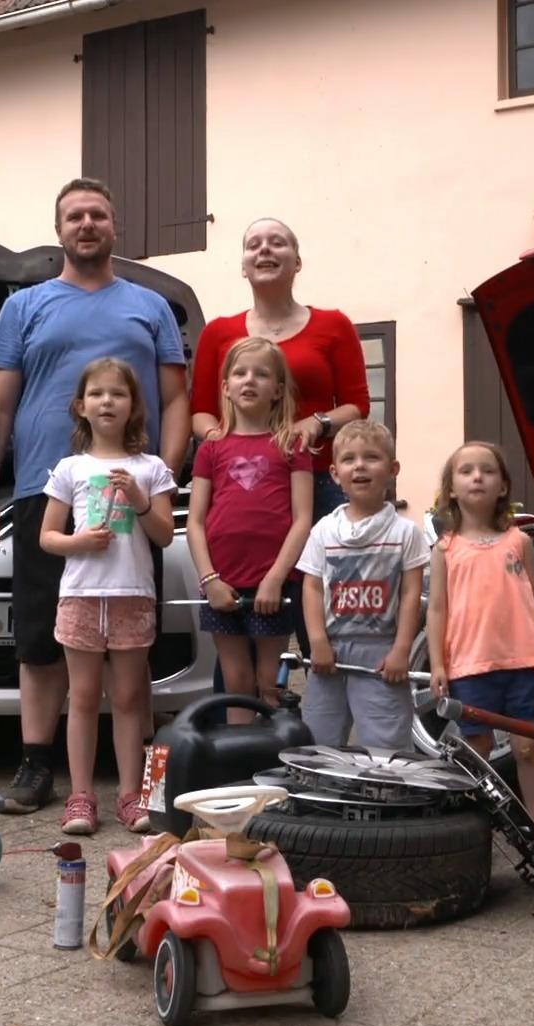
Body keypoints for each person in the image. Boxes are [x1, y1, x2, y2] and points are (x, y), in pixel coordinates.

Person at [0, 178, 191, 816]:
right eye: (74, 216)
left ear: (114, 227)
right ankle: (38, 767)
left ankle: (138, 787)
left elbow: (177, 399)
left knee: (132, 651)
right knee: (41, 640)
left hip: (131, 499)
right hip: (49, 490)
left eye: (97, 214)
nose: (86, 224)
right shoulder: (25, 307)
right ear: (59, 230)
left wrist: (159, 478)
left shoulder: (149, 307)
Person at [190, 217, 370, 682]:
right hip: (243, 494)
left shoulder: (333, 325)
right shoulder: (218, 333)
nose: (265, 250)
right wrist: (226, 448)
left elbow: (358, 405)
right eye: (253, 244)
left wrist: (319, 422)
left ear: (297, 260)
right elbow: (201, 413)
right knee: (234, 624)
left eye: (278, 242)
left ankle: (325, 725)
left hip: (319, 491)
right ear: (243, 265)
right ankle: (237, 734)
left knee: (322, 617)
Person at [38, 359, 177, 834]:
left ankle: (130, 795)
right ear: (81, 406)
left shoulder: (151, 468)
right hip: (80, 596)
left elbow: (164, 536)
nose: (107, 401)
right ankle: (80, 797)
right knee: (80, 697)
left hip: (131, 596)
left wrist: (138, 499)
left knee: (129, 696)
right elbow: (48, 537)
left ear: (133, 405)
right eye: (97, 393)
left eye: (118, 394)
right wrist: (79, 543)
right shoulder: (70, 468)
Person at [187, 337, 315, 725]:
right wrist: (209, 579)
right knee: (236, 679)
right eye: (240, 373)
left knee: (268, 681)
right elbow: (195, 521)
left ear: (277, 390)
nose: (249, 380)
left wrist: (276, 578)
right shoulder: (210, 450)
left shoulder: (292, 445)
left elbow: (303, 519)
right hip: (221, 581)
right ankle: (240, 762)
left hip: (270, 585)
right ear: (225, 386)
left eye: (261, 374)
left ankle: (271, 762)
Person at [425, 441, 534, 829]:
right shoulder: (445, 548)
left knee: (527, 747)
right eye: (466, 471)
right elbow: (437, 609)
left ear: (503, 486)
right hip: (469, 664)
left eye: (487, 470)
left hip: (521, 661)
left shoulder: (520, 542)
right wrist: (437, 664)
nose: (477, 477)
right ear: (451, 488)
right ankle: (482, 823)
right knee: (478, 749)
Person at [296, 420, 429, 750]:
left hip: (382, 652)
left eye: (372, 457)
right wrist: (316, 643)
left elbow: (413, 592)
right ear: (334, 472)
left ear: (392, 468)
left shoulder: (405, 533)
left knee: (387, 743)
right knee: (318, 742)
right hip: (330, 650)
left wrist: (401, 650)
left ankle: (388, 799)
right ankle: (323, 800)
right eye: (349, 459)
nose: (360, 466)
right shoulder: (323, 531)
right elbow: (311, 588)